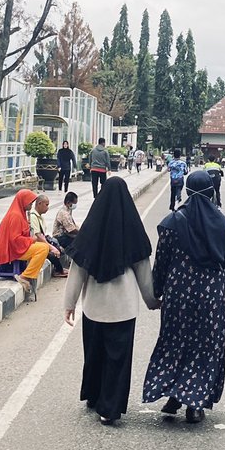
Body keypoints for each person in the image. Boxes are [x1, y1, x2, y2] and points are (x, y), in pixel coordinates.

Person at [143, 170, 225, 423]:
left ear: (187, 191)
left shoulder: (172, 222)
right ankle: (195, 404)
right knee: (204, 346)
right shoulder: (221, 225)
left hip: (178, 293)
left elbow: (162, 263)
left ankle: (173, 396)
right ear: (211, 191)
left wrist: (155, 293)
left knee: (175, 342)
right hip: (210, 296)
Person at [64, 176, 158, 425]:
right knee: (117, 359)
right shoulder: (133, 229)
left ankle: (93, 395)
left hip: (94, 307)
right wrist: (151, 301)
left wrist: (69, 304)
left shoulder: (91, 230)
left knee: (94, 354)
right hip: (124, 308)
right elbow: (143, 271)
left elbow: (78, 270)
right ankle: (110, 408)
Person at [0, 189, 51, 291]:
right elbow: (15, 240)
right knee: (43, 248)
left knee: (43, 247)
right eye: (30, 202)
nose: (31, 205)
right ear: (23, 201)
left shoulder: (19, 213)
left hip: (16, 246)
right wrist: (31, 240)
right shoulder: (16, 216)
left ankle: (28, 274)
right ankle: (24, 276)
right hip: (12, 249)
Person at [29, 192, 67, 277]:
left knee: (59, 249)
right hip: (36, 243)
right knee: (52, 254)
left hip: (41, 242)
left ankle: (60, 269)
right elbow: (38, 236)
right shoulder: (33, 216)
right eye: (46, 205)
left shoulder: (39, 216)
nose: (47, 207)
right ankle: (59, 271)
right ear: (39, 204)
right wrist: (51, 247)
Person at [52, 190, 80, 258]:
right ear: (68, 202)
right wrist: (81, 233)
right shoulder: (64, 213)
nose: (75, 205)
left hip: (66, 234)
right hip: (60, 237)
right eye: (74, 203)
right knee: (79, 242)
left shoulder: (68, 210)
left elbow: (72, 225)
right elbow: (71, 229)